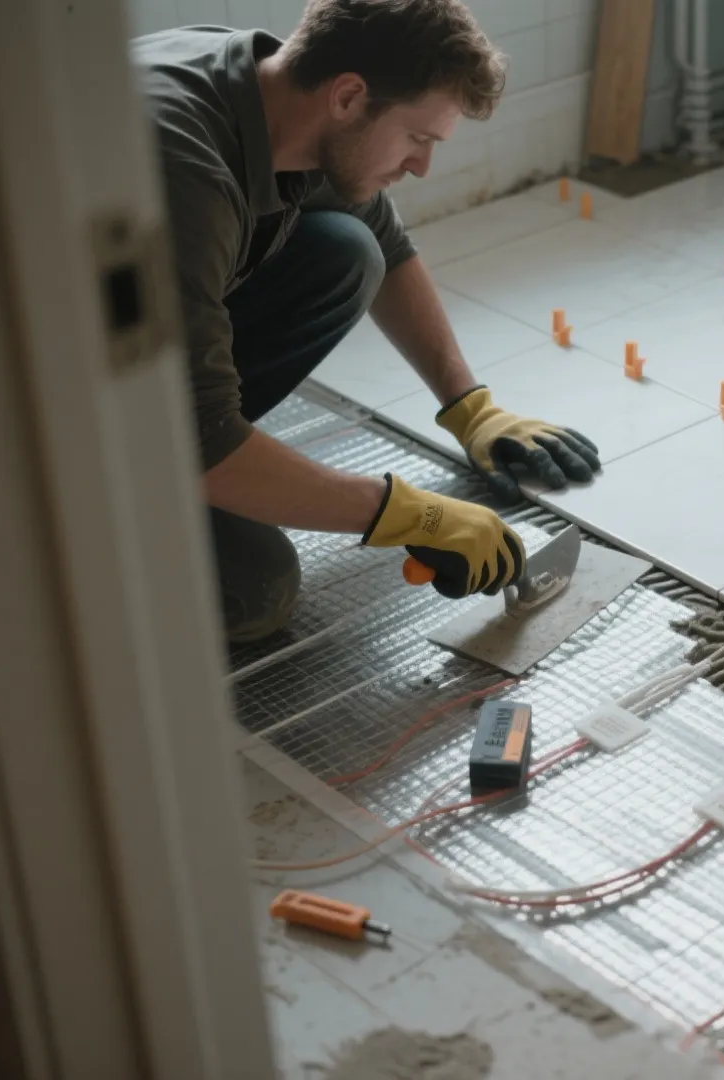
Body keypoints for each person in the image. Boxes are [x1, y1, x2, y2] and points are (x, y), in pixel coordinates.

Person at [134, 0, 598, 644]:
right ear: (349, 97)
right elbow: (202, 439)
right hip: (26, 430)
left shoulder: (270, 91)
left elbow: (390, 243)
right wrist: (413, 516)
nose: (421, 166)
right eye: (418, 138)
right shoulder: (182, 172)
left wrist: (471, 408)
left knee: (348, 250)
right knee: (255, 588)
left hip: (126, 356)